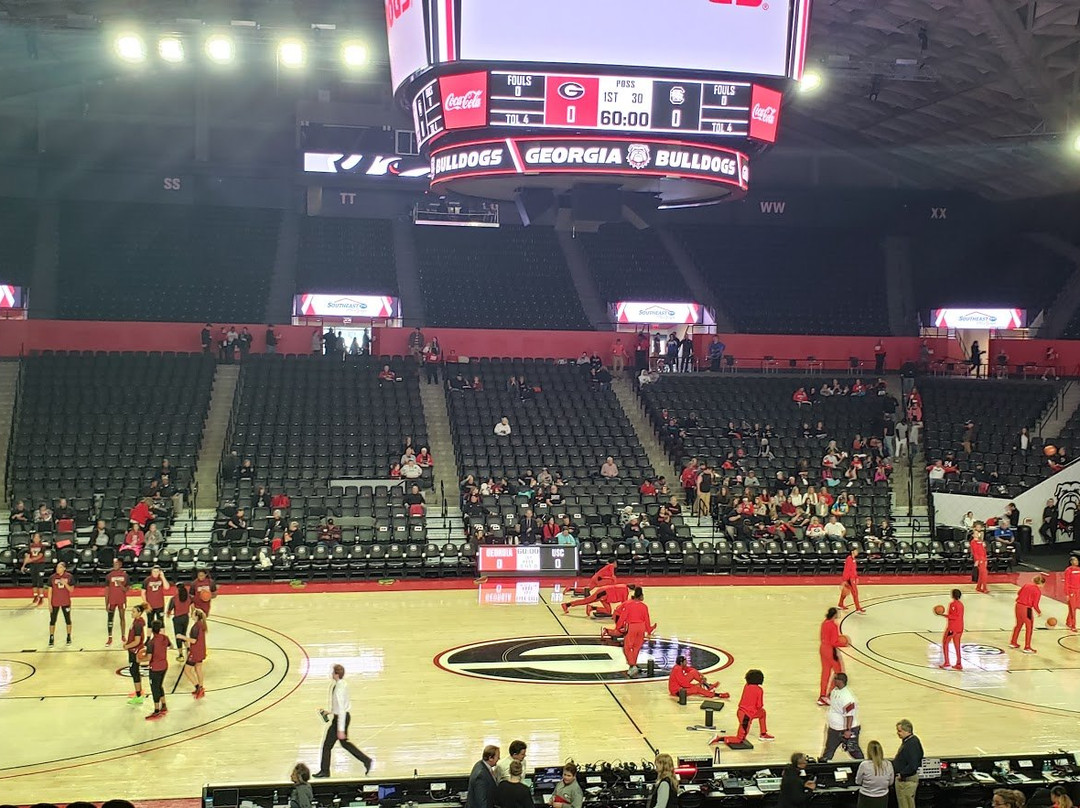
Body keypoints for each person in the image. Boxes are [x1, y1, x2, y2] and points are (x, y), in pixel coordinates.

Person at [315, 663, 372, 778]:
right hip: (342, 717)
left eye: (333, 672)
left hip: (340, 719)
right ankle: (366, 760)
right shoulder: (343, 683)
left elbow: (341, 709)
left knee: (327, 745)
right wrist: (330, 712)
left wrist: (341, 729)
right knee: (344, 744)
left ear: (336, 674)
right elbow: (341, 705)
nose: (331, 674)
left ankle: (325, 771)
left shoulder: (339, 689)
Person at [715, 669, 772, 745]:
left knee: (762, 713)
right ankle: (719, 739)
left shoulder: (746, 685)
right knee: (739, 739)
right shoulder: (759, 690)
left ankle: (763, 734)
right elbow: (759, 705)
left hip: (741, 712)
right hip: (746, 717)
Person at [821, 672, 863, 762]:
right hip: (834, 729)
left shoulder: (847, 697)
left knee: (853, 751)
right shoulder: (835, 690)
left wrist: (848, 730)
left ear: (840, 681)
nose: (833, 680)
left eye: (835, 679)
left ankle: (863, 764)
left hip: (846, 730)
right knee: (828, 751)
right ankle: (823, 765)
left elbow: (850, 715)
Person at [617, 586, 653, 677]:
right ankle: (633, 665)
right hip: (641, 627)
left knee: (627, 647)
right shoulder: (644, 606)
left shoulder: (628, 605)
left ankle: (632, 665)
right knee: (636, 647)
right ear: (641, 596)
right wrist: (649, 630)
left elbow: (622, 617)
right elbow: (647, 620)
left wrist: (618, 627)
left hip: (632, 627)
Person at [1009, 575, 1045, 653]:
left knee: (1018, 625)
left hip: (1018, 606)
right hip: (1026, 608)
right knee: (1029, 627)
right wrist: (1039, 612)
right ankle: (1027, 647)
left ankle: (1013, 642)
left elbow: (1018, 593)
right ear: (1041, 583)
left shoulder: (1026, 585)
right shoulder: (1037, 591)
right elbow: (1035, 604)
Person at [893, 719, 924, 808]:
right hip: (905, 780)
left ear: (907, 731)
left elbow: (913, 765)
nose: (897, 733)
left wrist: (902, 774)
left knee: (906, 805)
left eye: (899, 731)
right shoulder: (910, 741)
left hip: (906, 781)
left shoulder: (912, 744)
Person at [178, 608, 207, 699]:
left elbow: (194, 641)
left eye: (193, 613)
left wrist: (182, 637)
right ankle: (201, 688)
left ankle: (197, 687)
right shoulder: (201, 625)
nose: (191, 614)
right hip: (201, 650)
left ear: (196, 616)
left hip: (195, 652)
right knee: (198, 669)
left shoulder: (195, 627)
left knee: (187, 670)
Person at [145, 620, 172, 720]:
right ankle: (164, 705)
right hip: (164, 666)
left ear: (152, 630)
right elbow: (170, 646)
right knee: (160, 686)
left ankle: (157, 711)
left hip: (155, 668)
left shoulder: (151, 643)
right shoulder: (165, 638)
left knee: (155, 688)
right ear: (160, 629)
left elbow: (148, 658)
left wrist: (139, 659)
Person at [855, 740, 894, 808]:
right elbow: (890, 782)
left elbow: (858, 781)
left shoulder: (864, 765)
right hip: (882, 798)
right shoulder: (888, 764)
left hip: (866, 797)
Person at [818, 607, 844, 705]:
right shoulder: (833, 625)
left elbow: (822, 636)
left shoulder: (824, 622)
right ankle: (830, 695)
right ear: (835, 615)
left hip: (822, 648)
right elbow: (834, 642)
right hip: (830, 650)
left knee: (825, 673)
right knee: (838, 672)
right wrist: (844, 644)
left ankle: (822, 696)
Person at [124, 603, 148, 705]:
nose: (131, 613)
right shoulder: (137, 621)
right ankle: (139, 691)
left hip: (135, 651)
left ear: (139, 613)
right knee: (135, 671)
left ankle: (139, 696)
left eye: (134, 612)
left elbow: (137, 641)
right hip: (133, 650)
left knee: (134, 671)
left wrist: (127, 646)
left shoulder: (138, 624)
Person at [48, 561, 75, 647]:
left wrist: (65, 583)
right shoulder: (52, 577)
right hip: (55, 602)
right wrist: (49, 604)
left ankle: (68, 636)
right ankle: (51, 637)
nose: (57, 569)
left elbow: (71, 590)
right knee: (52, 620)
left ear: (64, 568)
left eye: (59, 567)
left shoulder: (69, 576)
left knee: (68, 619)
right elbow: (49, 592)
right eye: (57, 567)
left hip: (65, 602)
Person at [104, 558, 130, 646]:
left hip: (121, 600)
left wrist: (120, 585)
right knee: (110, 619)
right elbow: (106, 591)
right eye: (114, 564)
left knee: (122, 617)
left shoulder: (125, 575)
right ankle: (110, 637)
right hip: (112, 600)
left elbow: (127, 589)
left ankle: (123, 635)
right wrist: (106, 603)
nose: (115, 565)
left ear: (120, 565)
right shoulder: (109, 576)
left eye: (117, 564)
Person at [20, 532, 48, 605]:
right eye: (34, 537)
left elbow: (40, 556)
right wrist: (23, 565)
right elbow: (28, 556)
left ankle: (41, 597)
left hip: (40, 565)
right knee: (34, 581)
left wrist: (31, 560)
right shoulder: (30, 546)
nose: (36, 539)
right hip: (32, 565)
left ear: (40, 538)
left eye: (37, 537)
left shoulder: (42, 546)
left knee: (40, 581)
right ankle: (35, 596)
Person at [939, 589, 965, 670]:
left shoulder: (953, 604)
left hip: (952, 628)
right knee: (957, 645)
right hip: (960, 627)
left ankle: (947, 662)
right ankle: (959, 663)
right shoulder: (961, 604)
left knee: (945, 643)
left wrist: (943, 615)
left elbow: (954, 616)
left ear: (953, 595)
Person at [168, 583, 193, 661]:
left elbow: (169, 609)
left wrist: (168, 614)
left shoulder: (174, 598)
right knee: (183, 634)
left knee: (178, 636)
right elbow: (192, 605)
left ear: (177, 589)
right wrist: (192, 613)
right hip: (186, 618)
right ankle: (188, 649)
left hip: (177, 619)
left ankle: (181, 654)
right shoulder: (189, 597)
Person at [838, 548, 866, 613]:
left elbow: (854, 570)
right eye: (856, 551)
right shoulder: (849, 559)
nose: (857, 552)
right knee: (855, 593)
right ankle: (858, 608)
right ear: (852, 552)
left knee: (844, 592)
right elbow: (846, 570)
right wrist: (845, 580)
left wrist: (856, 577)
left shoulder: (854, 559)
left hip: (852, 578)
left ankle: (840, 604)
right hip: (849, 579)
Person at [971, 521, 989, 594]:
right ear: (973, 535)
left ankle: (978, 587)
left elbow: (984, 551)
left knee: (982, 574)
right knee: (984, 573)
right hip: (979, 559)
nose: (977, 534)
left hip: (983, 558)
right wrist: (977, 560)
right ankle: (984, 588)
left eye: (977, 533)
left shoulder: (981, 541)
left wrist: (986, 559)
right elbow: (974, 552)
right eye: (975, 533)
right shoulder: (973, 542)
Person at [1065, 556, 1080, 632]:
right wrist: (1067, 594)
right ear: (1071, 562)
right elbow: (1066, 582)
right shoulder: (1068, 570)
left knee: (1075, 607)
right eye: (1075, 560)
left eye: (1077, 560)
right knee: (1072, 608)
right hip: (1071, 591)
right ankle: (1073, 625)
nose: (1077, 561)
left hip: (1078, 591)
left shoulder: (1079, 569)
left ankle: (1068, 622)